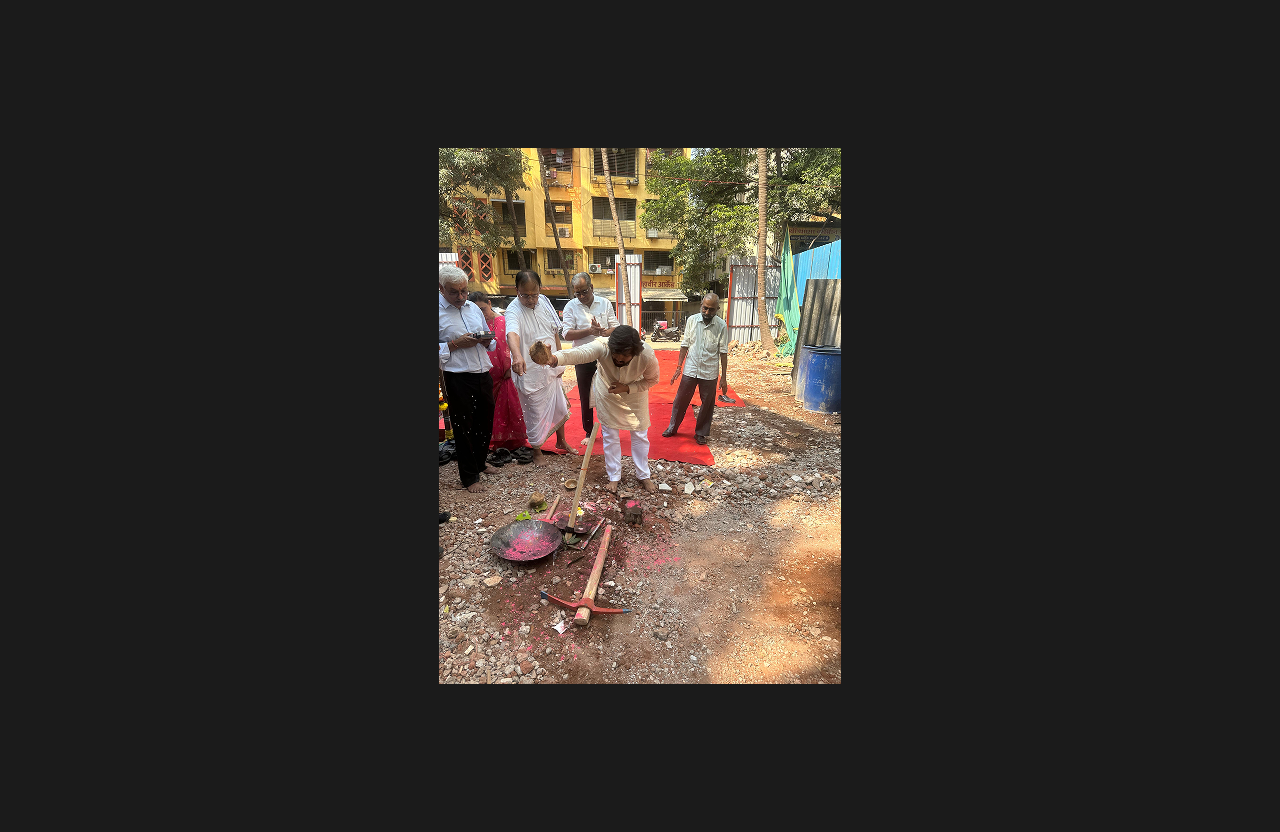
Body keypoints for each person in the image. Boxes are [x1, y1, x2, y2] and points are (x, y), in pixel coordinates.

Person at [529, 325, 660, 493]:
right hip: (607, 391)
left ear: (634, 353)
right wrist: (554, 359)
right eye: (615, 357)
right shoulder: (603, 346)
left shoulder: (646, 355)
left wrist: (627, 388)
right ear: (610, 348)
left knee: (640, 434)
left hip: (635, 395)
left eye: (624, 359)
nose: (619, 361)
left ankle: (643, 475)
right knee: (610, 434)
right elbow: (578, 353)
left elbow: (651, 380)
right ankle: (614, 476)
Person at [439, 265, 502, 492]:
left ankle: (480, 462)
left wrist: (486, 340)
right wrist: (455, 344)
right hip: (457, 376)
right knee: (463, 425)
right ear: (441, 288)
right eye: (454, 292)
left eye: (464, 291)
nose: (461, 296)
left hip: (482, 371)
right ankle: (469, 477)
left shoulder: (473, 308)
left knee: (485, 419)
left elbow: (490, 338)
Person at [505, 270, 576, 466]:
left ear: (540, 289)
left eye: (534, 294)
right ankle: (537, 450)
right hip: (529, 371)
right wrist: (517, 356)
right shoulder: (513, 310)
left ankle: (561, 441)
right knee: (534, 411)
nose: (530, 299)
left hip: (551, 364)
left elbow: (554, 331)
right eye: (525, 295)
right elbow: (512, 334)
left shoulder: (544, 301)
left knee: (559, 405)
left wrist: (560, 359)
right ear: (516, 290)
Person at [559, 272, 619, 444]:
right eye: (577, 293)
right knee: (585, 394)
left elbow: (614, 327)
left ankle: (610, 428)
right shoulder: (571, 306)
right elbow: (567, 334)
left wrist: (602, 332)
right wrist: (589, 331)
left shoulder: (605, 303)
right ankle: (588, 432)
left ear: (591, 287)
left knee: (609, 391)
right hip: (583, 356)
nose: (581, 296)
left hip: (604, 355)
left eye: (584, 291)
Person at [662, 292, 729, 446]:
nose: (707, 312)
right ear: (701, 305)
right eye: (705, 308)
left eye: (711, 310)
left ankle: (701, 433)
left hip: (710, 371)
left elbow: (723, 352)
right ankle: (672, 428)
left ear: (717, 309)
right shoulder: (692, 320)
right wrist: (679, 366)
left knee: (707, 403)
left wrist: (724, 377)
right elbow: (685, 344)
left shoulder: (721, 325)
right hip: (690, 369)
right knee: (681, 399)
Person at [469, 290, 528, 453]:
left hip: (505, 374)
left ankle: (511, 442)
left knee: (507, 408)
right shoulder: (475, 325)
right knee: (487, 410)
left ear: (489, 304)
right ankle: (489, 441)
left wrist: (509, 367)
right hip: (484, 375)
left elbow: (510, 345)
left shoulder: (504, 321)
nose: (481, 313)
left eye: (482, 309)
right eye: (476, 310)